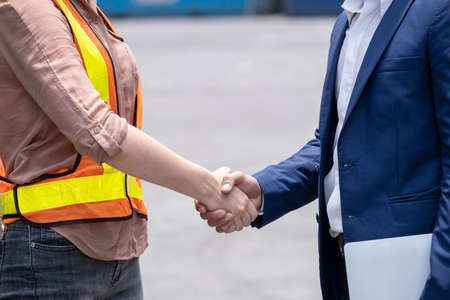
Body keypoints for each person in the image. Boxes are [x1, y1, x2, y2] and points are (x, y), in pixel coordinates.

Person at [0, 0, 258, 299]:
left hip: (117, 249)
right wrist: (209, 188)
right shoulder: (26, 7)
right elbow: (98, 131)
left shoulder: (80, 8)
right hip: (49, 247)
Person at [196, 0, 450, 299]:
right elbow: (334, 145)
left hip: (413, 272)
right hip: (346, 267)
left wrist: (441, 283)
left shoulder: (438, 11)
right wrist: (263, 190)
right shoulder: (347, 21)